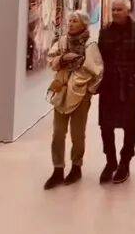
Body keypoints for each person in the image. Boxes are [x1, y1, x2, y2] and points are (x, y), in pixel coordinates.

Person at [97, 0, 135, 184]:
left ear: (127, 11)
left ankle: (125, 162)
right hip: (109, 86)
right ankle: (110, 161)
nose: (115, 13)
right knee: (106, 126)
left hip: (131, 86)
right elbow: (99, 60)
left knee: (130, 127)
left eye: (119, 9)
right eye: (113, 9)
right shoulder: (105, 32)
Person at [44, 10, 103, 189]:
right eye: (69, 20)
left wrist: (88, 90)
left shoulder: (90, 45)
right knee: (58, 132)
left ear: (84, 24)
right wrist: (62, 58)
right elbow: (50, 59)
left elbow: (98, 71)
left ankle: (76, 166)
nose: (70, 24)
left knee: (78, 133)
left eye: (75, 21)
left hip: (80, 94)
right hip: (62, 92)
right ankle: (58, 168)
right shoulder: (62, 41)